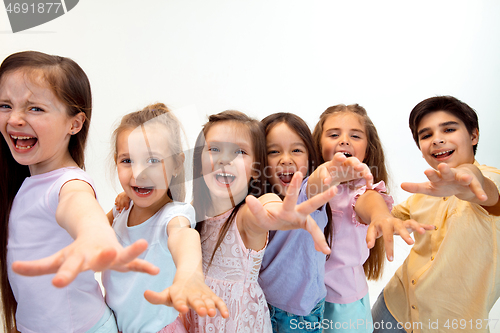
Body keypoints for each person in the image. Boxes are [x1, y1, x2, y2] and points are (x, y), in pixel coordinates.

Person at [0, 51, 157, 333]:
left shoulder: (68, 184)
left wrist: (96, 236)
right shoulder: (28, 181)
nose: (15, 119)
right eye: (5, 105)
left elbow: (81, 209)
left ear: (75, 123)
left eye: (35, 108)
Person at [184, 110, 336, 332]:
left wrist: (277, 213)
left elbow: (265, 207)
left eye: (239, 151)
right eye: (214, 149)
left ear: (256, 168)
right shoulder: (194, 213)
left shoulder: (246, 215)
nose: (224, 159)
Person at [370, 96, 500, 333]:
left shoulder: (491, 180)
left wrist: (472, 177)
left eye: (449, 129)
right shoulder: (424, 194)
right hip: (394, 306)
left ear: (473, 136)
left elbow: (488, 192)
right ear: (421, 149)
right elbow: (386, 217)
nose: (437, 139)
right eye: (426, 135)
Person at [102, 103, 228, 333]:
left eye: (152, 160)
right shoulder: (122, 210)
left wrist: (190, 274)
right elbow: (95, 230)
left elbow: (184, 236)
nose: (138, 172)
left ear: (177, 165)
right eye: (127, 160)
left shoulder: (173, 216)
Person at [312, 104, 432, 332]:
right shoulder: (309, 187)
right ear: (318, 145)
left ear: (367, 150)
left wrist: (381, 217)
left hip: (342, 304)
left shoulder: (360, 192)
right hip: (306, 299)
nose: (344, 140)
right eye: (334, 134)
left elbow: (370, 202)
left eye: (355, 135)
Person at [259, 113, 374, 333]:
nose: (285, 159)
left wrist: (328, 173)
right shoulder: (261, 199)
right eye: (273, 152)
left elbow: (315, 183)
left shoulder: (307, 194)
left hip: (301, 314)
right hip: (263, 307)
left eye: (296, 150)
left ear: (310, 159)